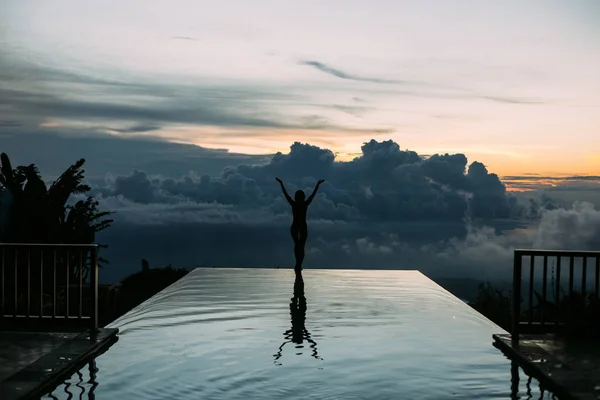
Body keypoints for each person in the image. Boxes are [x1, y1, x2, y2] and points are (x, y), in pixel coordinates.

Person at [275, 177, 324, 271]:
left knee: (298, 245)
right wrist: (317, 185)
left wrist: (281, 184)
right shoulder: (303, 204)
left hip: (297, 227)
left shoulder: (295, 204)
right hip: (299, 227)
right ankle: (299, 264)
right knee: (300, 246)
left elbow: (286, 195)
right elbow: (312, 195)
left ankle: (298, 264)